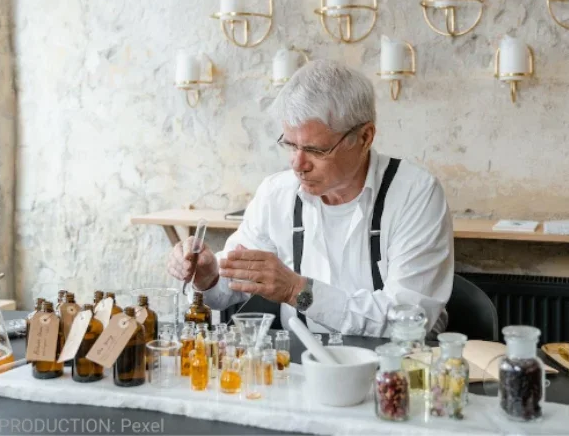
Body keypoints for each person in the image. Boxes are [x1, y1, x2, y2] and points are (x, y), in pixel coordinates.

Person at [167, 59, 454, 336]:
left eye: (316, 150)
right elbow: (231, 285)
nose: (297, 164)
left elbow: (407, 322)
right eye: (291, 145)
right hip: (302, 365)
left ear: (365, 137)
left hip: (393, 369)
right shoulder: (277, 194)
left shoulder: (415, 194)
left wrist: (297, 291)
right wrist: (209, 276)